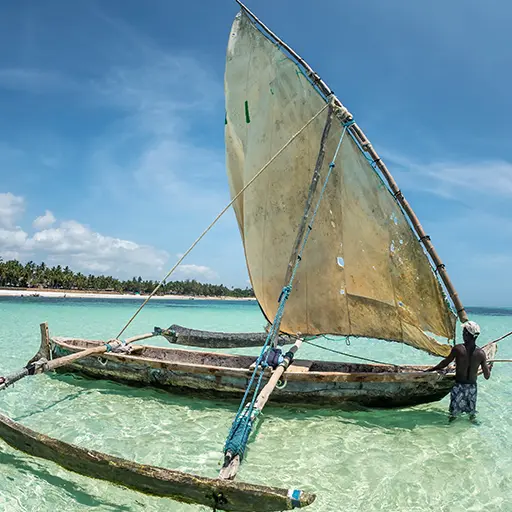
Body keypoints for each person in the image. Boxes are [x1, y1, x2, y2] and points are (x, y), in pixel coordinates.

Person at [426, 321, 492, 421]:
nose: (462, 334)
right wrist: (488, 367)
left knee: (453, 415)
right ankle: (472, 429)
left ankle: (449, 430)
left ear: (467, 334)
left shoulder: (458, 349)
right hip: (472, 388)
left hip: (459, 386)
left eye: (463, 332)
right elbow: (487, 376)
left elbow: (445, 363)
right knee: (471, 415)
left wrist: (432, 369)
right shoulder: (481, 353)